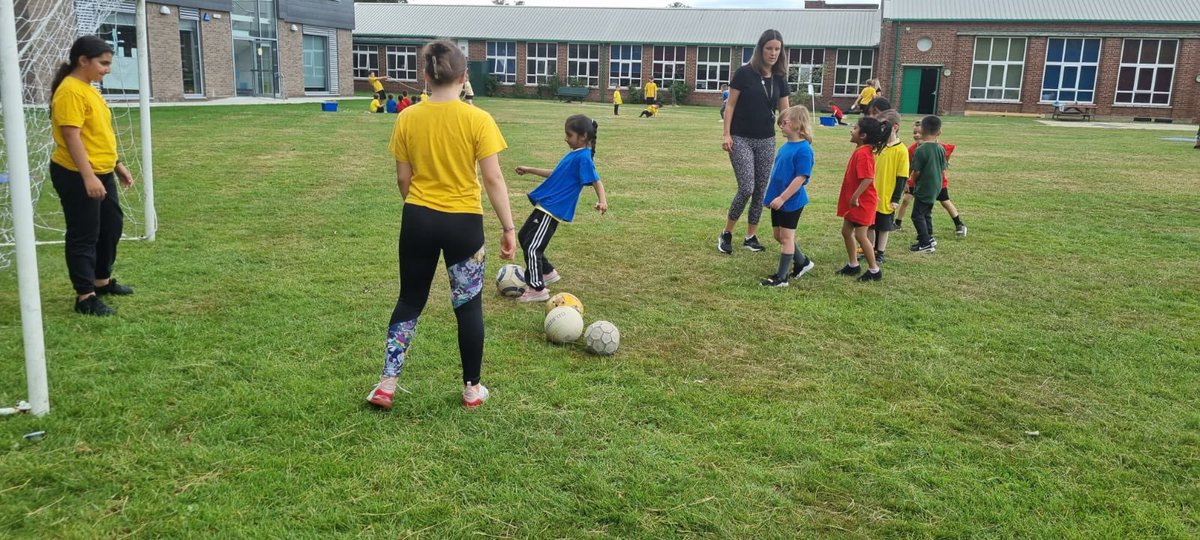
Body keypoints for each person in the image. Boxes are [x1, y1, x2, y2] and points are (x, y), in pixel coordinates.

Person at [367, 40, 517, 411]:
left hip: (418, 217)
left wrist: (419, 209)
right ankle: (471, 389)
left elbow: (404, 179)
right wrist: (509, 228)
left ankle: (387, 384)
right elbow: (494, 179)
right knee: (468, 306)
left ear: (426, 76)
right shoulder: (478, 119)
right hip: (464, 223)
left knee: (409, 299)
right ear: (464, 77)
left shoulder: (407, 117)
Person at [48, 35, 135, 316]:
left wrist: (117, 164)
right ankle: (85, 297)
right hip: (76, 173)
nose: (107, 69)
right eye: (103, 63)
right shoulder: (70, 91)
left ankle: (102, 280)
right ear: (83, 60)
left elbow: (97, 135)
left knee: (111, 225)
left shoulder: (88, 88)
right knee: (84, 233)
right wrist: (88, 177)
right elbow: (72, 137)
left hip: (102, 170)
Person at [512, 115, 609, 303]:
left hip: (552, 208)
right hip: (546, 204)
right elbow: (555, 173)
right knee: (524, 236)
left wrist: (602, 201)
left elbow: (596, 180)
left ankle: (537, 288)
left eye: (569, 135)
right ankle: (547, 272)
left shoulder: (583, 157)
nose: (566, 138)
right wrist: (529, 169)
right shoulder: (575, 154)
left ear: (582, 136)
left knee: (532, 247)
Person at [719, 29, 790, 255]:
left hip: (766, 140)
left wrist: (794, 135)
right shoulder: (744, 73)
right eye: (769, 48)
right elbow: (729, 105)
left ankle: (751, 236)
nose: (773, 53)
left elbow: (785, 112)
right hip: (740, 137)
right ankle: (727, 233)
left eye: (777, 49)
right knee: (747, 187)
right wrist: (726, 134)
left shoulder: (779, 79)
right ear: (760, 49)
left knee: (760, 190)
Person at [759, 105, 816, 287]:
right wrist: (772, 198)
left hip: (791, 202)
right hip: (779, 201)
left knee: (786, 238)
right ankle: (803, 262)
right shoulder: (786, 147)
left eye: (784, 122)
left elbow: (800, 178)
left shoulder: (804, 150)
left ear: (797, 124)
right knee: (779, 236)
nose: (780, 126)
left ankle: (781, 278)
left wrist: (783, 198)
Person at [836, 116, 890, 281]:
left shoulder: (865, 154)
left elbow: (867, 178)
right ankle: (853, 265)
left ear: (863, 135)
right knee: (846, 231)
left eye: (855, 128)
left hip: (863, 202)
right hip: (855, 201)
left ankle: (874, 270)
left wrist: (855, 197)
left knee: (861, 235)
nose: (851, 130)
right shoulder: (860, 150)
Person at [897, 120, 966, 238]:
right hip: (918, 182)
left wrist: (946, 162)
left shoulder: (938, 147)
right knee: (907, 200)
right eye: (914, 133)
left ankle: (959, 224)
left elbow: (947, 154)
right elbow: (910, 167)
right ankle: (898, 223)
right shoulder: (913, 149)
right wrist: (907, 180)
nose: (917, 135)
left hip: (935, 182)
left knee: (944, 202)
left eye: (919, 132)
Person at [868, 109, 909, 265]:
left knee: (884, 226)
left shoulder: (901, 150)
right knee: (870, 225)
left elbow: (902, 176)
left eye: (883, 125)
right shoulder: (877, 146)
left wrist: (895, 198)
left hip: (886, 195)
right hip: (872, 193)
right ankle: (869, 248)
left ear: (895, 127)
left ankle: (880, 252)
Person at [907, 115, 948, 253]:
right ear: (939, 132)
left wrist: (913, 180)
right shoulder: (941, 148)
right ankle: (928, 237)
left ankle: (925, 242)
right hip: (937, 186)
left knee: (917, 215)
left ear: (922, 130)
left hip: (925, 186)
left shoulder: (921, 150)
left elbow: (916, 171)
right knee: (926, 213)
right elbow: (943, 167)